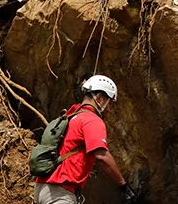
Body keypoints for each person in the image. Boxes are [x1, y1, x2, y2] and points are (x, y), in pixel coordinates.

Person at [34, 75, 138, 204]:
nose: (109, 109)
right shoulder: (92, 120)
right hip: (60, 193)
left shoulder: (69, 116)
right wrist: (123, 186)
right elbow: (102, 157)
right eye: (109, 103)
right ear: (99, 98)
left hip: (41, 190)